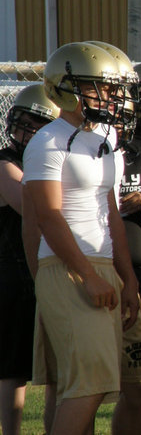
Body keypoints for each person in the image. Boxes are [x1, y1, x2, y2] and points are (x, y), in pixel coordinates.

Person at [22, 42, 141, 435]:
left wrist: (126, 277)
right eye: (101, 88)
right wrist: (87, 275)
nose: (112, 97)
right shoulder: (47, 141)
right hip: (69, 266)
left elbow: (110, 212)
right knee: (86, 388)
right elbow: (48, 216)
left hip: (105, 265)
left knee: (140, 383)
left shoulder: (105, 137)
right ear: (67, 87)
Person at [0, 84, 58, 435]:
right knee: (12, 367)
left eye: (36, 126)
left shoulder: (51, 161)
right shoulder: (6, 162)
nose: (26, 133)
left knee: (58, 368)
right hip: (13, 272)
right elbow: (29, 205)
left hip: (48, 268)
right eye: (22, 124)